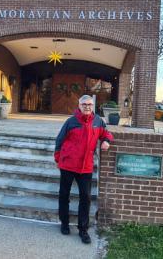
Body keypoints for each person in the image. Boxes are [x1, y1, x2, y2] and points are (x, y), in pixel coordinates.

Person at [54, 95, 113, 244]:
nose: (87, 107)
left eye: (90, 104)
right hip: (68, 164)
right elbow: (59, 140)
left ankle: (83, 229)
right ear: (79, 105)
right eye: (84, 104)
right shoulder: (71, 122)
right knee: (64, 194)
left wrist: (106, 141)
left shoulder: (98, 121)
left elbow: (106, 133)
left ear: (93, 106)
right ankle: (65, 223)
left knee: (85, 198)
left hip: (85, 166)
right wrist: (57, 158)